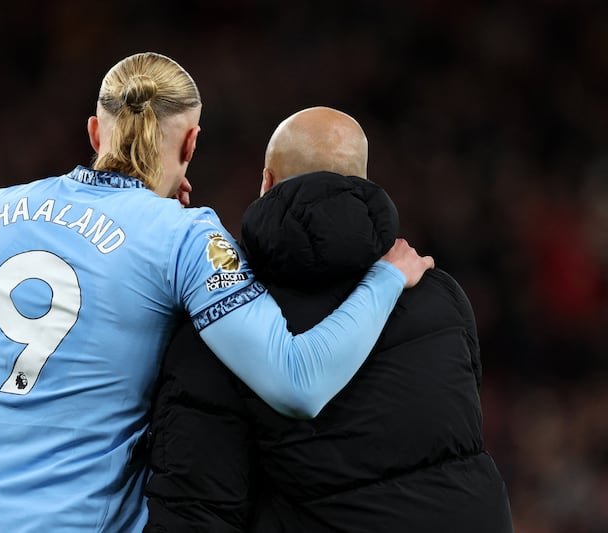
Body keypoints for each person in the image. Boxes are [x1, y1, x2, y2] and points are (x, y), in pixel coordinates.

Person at [0, 55, 433, 532]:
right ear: (191, 144)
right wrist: (385, 279)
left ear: (95, 131)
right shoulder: (185, 236)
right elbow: (298, 382)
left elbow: (98, 274)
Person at [144, 107, 514, 532]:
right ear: (363, 186)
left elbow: (197, 507)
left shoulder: (223, 325)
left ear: (266, 182)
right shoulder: (441, 297)